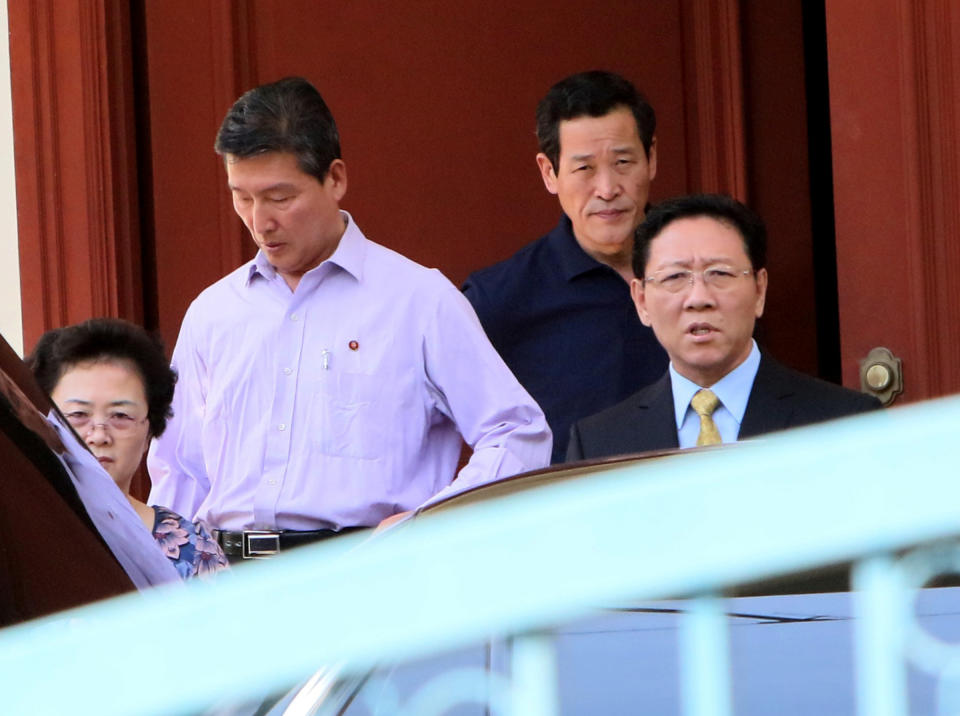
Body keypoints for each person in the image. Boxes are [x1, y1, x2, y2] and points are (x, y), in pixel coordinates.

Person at [147, 77, 551, 561]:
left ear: (335, 178)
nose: (259, 221)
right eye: (242, 196)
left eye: (279, 197)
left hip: (370, 577)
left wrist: (435, 521)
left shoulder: (418, 300)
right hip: (228, 586)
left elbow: (517, 432)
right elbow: (178, 472)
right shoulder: (212, 313)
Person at [566, 194, 881, 460]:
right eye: (675, 277)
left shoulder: (845, 424)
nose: (699, 298)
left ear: (760, 290)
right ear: (642, 301)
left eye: (719, 274)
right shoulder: (598, 444)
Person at [463, 70, 668, 463]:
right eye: (584, 169)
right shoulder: (500, 299)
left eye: (623, 161)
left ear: (651, 157)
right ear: (549, 172)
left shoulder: (704, 273)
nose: (607, 189)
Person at [29, 318, 228, 579]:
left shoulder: (192, 550)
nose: (99, 435)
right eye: (78, 414)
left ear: (149, 432)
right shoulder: (18, 536)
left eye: (120, 416)